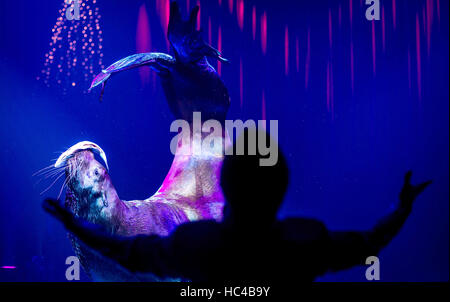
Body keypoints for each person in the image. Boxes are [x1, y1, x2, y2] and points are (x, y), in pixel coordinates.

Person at [43, 129, 432, 281]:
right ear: (282, 189)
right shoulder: (303, 241)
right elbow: (367, 243)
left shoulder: (196, 244)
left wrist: (73, 224)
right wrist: (403, 208)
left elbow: (128, 252)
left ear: (223, 184)